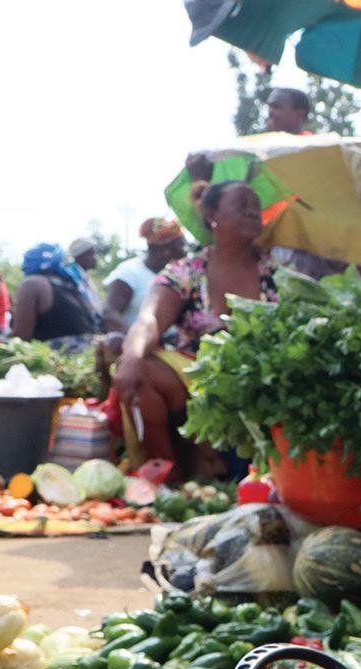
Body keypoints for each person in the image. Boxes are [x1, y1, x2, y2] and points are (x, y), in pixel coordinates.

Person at [112, 180, 279, 468]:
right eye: (242, 205)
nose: (253, 212)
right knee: (142, 370)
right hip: (197, 388)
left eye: (256, 206)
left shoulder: (278, 275)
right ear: (212, 214)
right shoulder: (186, 272)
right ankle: (166, 478)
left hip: (262, 388)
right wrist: (133, 356)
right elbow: (149, 319)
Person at [103, 218, 186, 333]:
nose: (185, 250)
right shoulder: (129, 272)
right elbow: (110, 313)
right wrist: (136, 339)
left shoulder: (179, 275)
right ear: (165, 247)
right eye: (181, 244)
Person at [12, 243, 102, 349]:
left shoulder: (31, 283)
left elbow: (21, 338)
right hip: (92, 347)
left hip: (65, 353)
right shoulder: (70, 283)